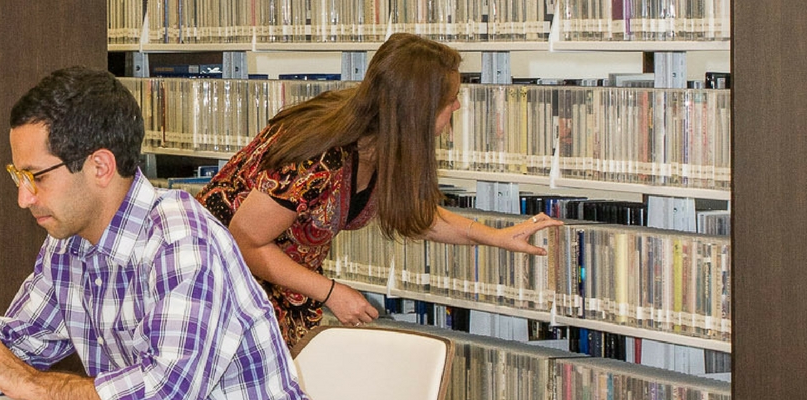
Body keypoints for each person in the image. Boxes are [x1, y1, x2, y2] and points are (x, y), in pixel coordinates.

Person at [0, 66, 308, 400]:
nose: (24, 199)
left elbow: (164, 390)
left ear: (100, 167)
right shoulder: (66, 244)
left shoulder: (182, 240)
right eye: (17, 176)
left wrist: (30, 384)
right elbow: (17, 346)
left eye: (36, 177)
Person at [195, 33, 564, 348]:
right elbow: (242, 240)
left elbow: (416, 214)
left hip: (273, 289)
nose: (457, 104)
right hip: (215, 289)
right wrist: (330, 292)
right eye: (449, 98)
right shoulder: (319, 156)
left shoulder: (381, 139)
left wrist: (495, 237)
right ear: (417, 111)